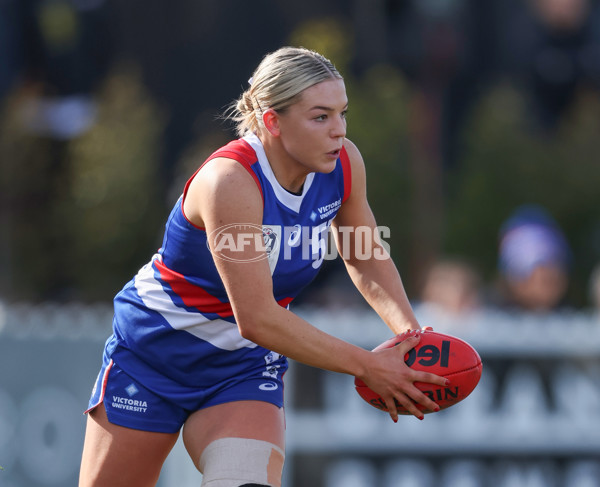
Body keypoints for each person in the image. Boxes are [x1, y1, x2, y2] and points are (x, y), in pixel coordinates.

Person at [78, 46, 448, 487]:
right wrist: (368, 367)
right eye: (320, 117)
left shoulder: (344, 163)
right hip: (153, 357)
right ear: (272, 121)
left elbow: (364, 252)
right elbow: (255, 317)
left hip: (242, 368)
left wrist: (412, 337)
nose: (339, 131)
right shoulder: (231, 181)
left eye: (342, 113)